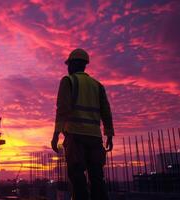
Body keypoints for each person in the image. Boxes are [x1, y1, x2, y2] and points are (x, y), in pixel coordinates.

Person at [51, 48, 114, 200]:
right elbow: (106, 111)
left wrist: (56, 134)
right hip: (94, 138)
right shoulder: (97, 85)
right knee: (97, 177)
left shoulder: (68, 81)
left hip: (75, 136)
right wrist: (109, 134)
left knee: (77, 175)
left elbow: (62, 109)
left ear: (73, 64)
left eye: (69, 64)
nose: (67, 67)